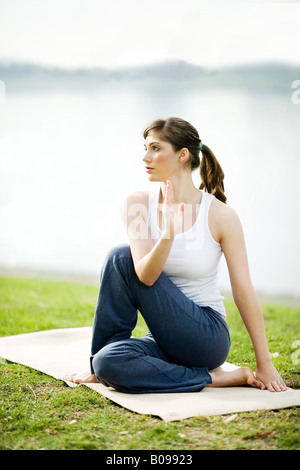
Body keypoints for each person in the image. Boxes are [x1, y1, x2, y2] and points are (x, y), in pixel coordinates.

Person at [64, 117, 287, 393]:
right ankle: (102, 365)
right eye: (145, 148)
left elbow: (243, 290)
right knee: (108, 361)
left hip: (205, 336)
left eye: (156, 148)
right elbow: (145, 274)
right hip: (162, 337)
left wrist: (264, 363)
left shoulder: (220, 216)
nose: (145, 156)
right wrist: (168, 233)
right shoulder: (137, 204)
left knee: (119, 257)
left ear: (182, 155)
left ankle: (209, 374)